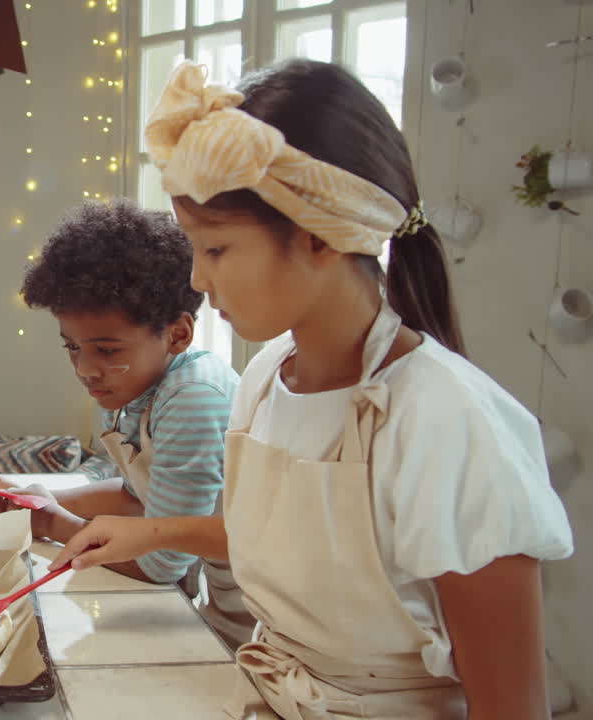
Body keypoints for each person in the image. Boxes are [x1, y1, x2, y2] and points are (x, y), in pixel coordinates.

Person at [52, 60, 575, 719]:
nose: (200, 281)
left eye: (216, 249)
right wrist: (151, 533)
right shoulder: (268, 379)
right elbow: (295, 546)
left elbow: (512, 705)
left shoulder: (448, 422)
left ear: (319, 237)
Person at [0, 199, 252, 644]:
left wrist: (52, 524)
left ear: (177, 334)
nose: (85, 369)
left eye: (107, 350)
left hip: (253, 621)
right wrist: (42, 499)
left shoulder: (194, 398)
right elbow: (140, 500)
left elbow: (161, 564)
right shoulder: (132, 385)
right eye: (71, 346)